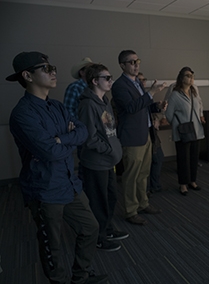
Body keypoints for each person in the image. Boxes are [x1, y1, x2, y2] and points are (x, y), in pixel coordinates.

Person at [7, 51, 107, 284]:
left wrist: (62, 139)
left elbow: (81, 132)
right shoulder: (22, 113)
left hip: (70, 183)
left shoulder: (57, 106)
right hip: (44, 189)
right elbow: (49, 151)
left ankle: (80, 276)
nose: (54, 72)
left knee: (91, 228)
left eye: (53, 68)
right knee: (52, 245)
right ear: (27, 75)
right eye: (46, 69)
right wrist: (66, 138)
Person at [110, 50, 166, 225]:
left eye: (137, 61)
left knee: (143, 174)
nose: (136, 65)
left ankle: (143, 203)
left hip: (145, 134)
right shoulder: (119, 85)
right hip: (132, 137)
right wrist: (151, 93)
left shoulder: (137, 83)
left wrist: (157, 106)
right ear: (122, 65)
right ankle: (130, 210)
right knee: (131, 176)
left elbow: (144, 106)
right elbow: (131, 108)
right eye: (131, 62)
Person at [78, 64, 129, 252]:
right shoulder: (88, 104)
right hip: (96, 162)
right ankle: (98, 238)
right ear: (94, 81)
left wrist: (114, 148)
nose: (110, 81)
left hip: (108, 161)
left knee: (110, 197)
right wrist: (109, 149)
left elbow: (109, 130)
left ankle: (107, 228)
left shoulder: (104, 100)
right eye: (106, 78)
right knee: (98, 201)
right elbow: (89, 139)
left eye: (110, 77)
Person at [165, 67, 205, 196]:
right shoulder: (175, 95)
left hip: (196, 130)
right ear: (181, 78)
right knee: (183, 159)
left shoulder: (194, 92)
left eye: (192, 75)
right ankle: (183, 184)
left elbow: (199, 107)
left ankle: (192, 181)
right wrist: (178, 123)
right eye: (188, 75)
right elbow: (168, 114)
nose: (191, 78)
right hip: (182, 131)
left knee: (194, 157)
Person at [137, 72, 165, 196]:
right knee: (143, 165)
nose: (143, 82)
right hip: (139, 134)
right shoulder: (133, 95)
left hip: (152, 133)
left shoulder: (145, 95)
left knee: (158, 158)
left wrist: (158, 109)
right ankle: (144, 190)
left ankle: (154, 186)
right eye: (140, 80)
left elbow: (148, 111)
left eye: (144, 79)